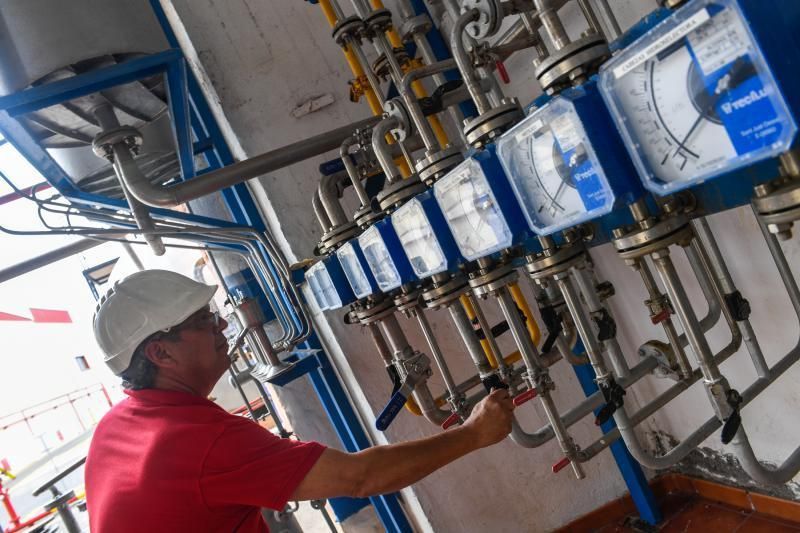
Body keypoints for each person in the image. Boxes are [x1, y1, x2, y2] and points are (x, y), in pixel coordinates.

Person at [86, 269, 515, 532]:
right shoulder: (198, 441)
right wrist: (474, 433)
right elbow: (359, 478)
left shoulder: (117, 425)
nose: (220, 326)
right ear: (160, 353)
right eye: (203, 321)